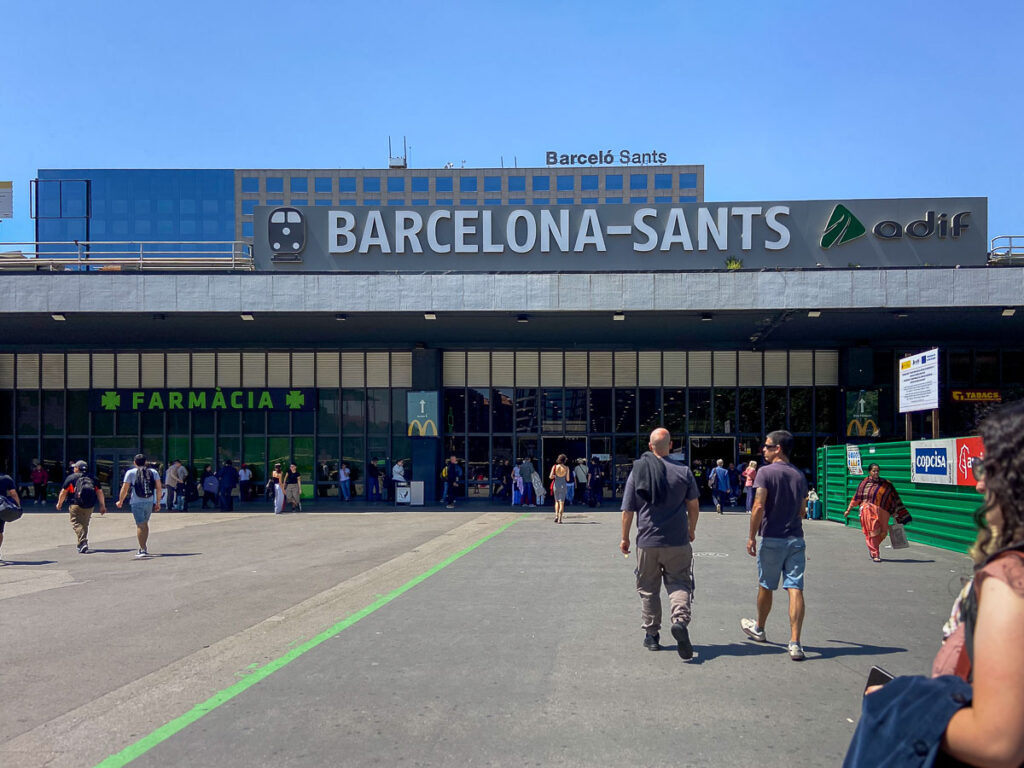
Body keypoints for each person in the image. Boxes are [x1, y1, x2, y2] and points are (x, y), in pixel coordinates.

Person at [845, 399, 1024, 767]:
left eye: (987, 466)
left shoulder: (1009, 581)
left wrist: (900, 702)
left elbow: (998, 742)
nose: (978, 483)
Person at [620, 428, 701, 659]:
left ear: (650, 446)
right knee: (679, 583)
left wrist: (625, 537)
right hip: (677, 540)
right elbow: (693, 505)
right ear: (671, 445)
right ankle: (680, 622)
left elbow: (627, 510)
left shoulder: (638, 472)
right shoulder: (683, 471)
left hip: (647, 541)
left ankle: (652, 635)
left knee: (648, 589)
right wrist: (691, 529)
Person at [741, 430, 809, 661]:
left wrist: (751, 536)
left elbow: (758, 506)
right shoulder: (799, 476)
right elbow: (803, 510)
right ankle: (795, 642)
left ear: (778, 448)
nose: (764, 450)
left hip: (772, 537)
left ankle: (759, 628)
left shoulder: (765, 472)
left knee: (766, 585)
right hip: (796, 539)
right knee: (795, 588)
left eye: (767, 446)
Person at [843, 463, 913, 563]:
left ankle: (873, 545)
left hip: (883, 512)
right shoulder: (864, 483)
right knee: (873, 531)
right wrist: (848, 510)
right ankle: (875, 553)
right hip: (867, 511)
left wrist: (895, 512)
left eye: (877, 470)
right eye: (874, 471)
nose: (876, 472)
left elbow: (893, 498)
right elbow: (856, 497)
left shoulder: (886, 484)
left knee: (883, 532)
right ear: (869, 472)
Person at [115, 454, 162, 559]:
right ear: (145, 462)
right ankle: (144, 546)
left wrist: (120, 501)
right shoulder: (153, 472)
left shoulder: (131, 473)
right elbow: (159, 488)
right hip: (149, 501)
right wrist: (158, 502)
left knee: (140, 525)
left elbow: (125, 488)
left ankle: (142, 548)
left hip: (136, 501)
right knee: (145, 523)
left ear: (134, 462)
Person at [56, 460, 106, 554]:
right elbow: (99, 492)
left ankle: (83, 543)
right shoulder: (93, 478)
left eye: (74, 467)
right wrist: (102, 505)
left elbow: (64, 492)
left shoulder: (71, 478)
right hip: (89, 505)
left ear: (77, 468)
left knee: (76, 523)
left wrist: (59, 503)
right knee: (85, 524)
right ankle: (81, 544)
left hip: (76, 504)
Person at [0, 470, 23, 562]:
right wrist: (18, 506)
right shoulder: (6, 478)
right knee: (0, 531)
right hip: (1, 507)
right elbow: (13, 494)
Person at [549, 454, 569, 524]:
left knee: (556, 501)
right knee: (562, 503)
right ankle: (560, 519)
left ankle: (556, 516)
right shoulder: (566, 468)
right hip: (563, 485)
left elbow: (550, 477)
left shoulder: (554, 467)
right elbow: (568, 479)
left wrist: (555, 476)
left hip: (556, 485)